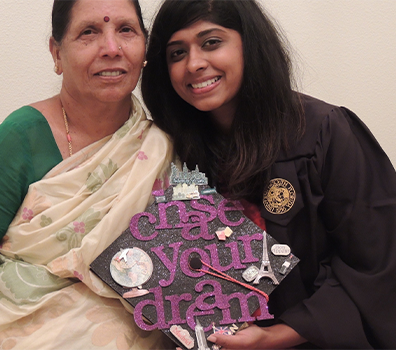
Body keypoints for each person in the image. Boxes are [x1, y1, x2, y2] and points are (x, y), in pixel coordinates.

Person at [141, 0, 396, 349]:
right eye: (176, 53)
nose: (194, 63)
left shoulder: (323, 132)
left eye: (211, 42)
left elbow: (376, 264)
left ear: (250, 43)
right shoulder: (172, 151)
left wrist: (276, 337)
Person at [0, 0, 175, 348]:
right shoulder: (17, 139)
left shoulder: (162, 148)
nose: (112, 48)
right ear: (56, 54)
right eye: (89, 32)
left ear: (145, 48)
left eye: (126, 30)